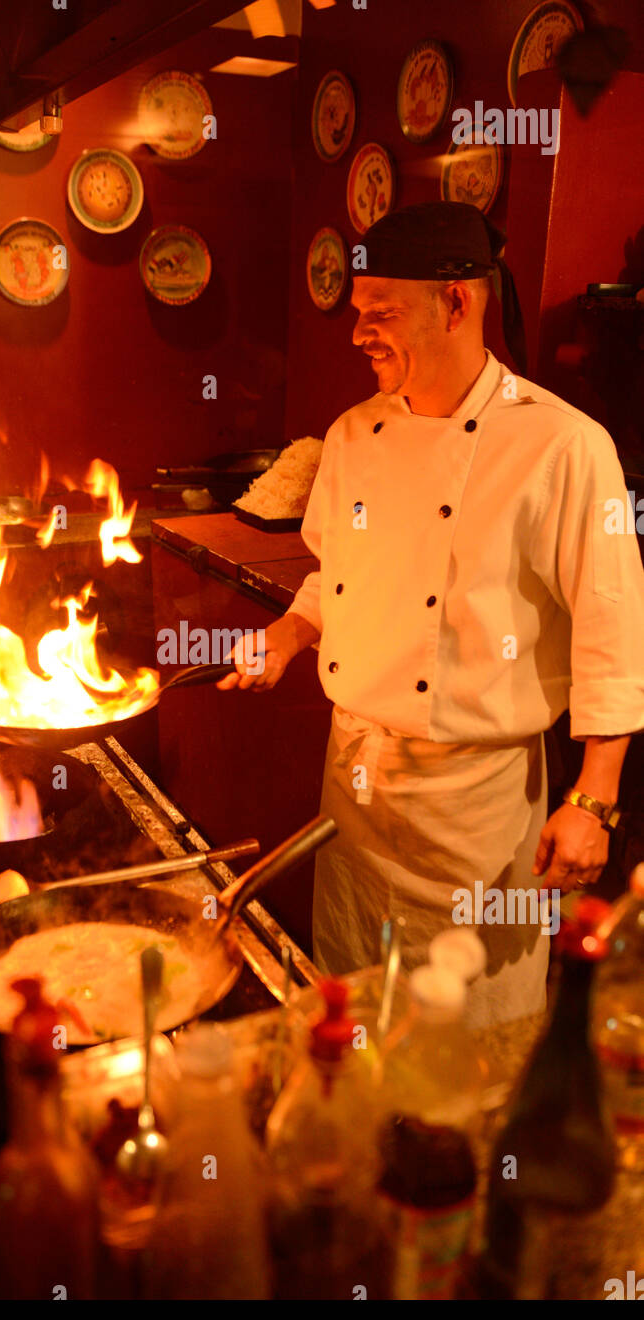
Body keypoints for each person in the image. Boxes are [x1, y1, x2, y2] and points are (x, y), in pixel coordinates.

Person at [218, 201, 644, 1027]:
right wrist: (284, 637)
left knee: (469, 1029)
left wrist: (593, 799)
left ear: (457, 302)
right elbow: (335, 574)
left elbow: (611, 626)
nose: (357, 334)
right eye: (356, 313)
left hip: (476, 806)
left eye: (380, 313)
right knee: (353, 1004)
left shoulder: (561, 445)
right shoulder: (350, 435)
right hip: (353, 786)